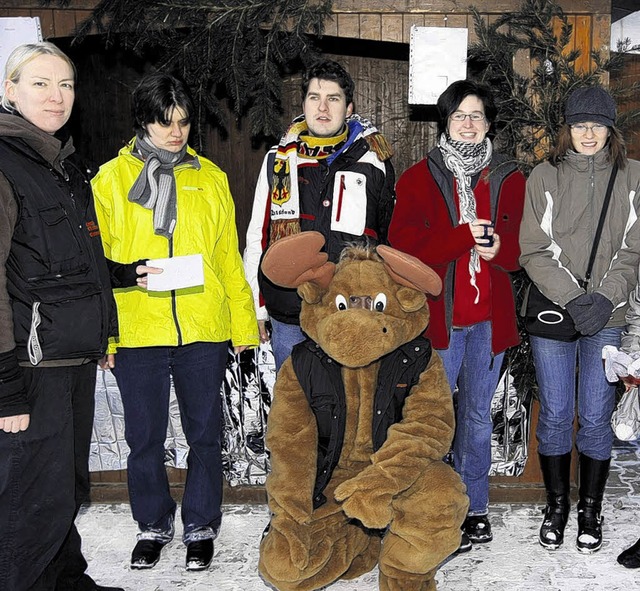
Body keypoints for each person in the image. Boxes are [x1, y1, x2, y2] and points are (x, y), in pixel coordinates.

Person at [91, 73, 259, 571]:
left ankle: (202, 523)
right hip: (139, 328)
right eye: (165, 122)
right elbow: (94, 262)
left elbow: (228, 258)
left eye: (183, 122)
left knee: (205, 433)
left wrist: (244, 327)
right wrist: (108, 327)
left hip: (202, 328)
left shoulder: (210, 178)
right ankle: (152, 524)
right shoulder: (110, 180)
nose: (175, 132)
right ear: (144, 121)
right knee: (143, 437)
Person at [0, 42, 122, 591]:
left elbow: (65, 260)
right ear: (10, 91)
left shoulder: (61, 165)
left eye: (66, 85)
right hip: (30, 369)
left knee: (65, 490)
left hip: (69, 357)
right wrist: (4, 387)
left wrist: (120, 275)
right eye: (41, 84)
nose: (57, 96)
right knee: (29, 499)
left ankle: (66, 579)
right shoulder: (5, 164)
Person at [388, 79, 526, 552]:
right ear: (445, 123)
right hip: (441, 325)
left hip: (489, 322)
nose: (469, 124)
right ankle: (435, 504)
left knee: (476, 419)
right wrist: (463, 235)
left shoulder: (508, 176)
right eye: (459, 116)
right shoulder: (417, 178)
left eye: (477, 116)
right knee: (435, 419)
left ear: (489, 124)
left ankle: (476, 508)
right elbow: (404, 247)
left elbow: (519, 251)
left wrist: (500, 249)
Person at [519, 86, 640, 554]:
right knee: (555, 412)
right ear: (566, 129)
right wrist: (573, 297)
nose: (587, 134)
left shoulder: (633, 177)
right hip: (555, 311)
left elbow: (633, 251)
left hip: (607, 314)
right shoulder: (544, 176)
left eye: (596, 125)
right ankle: (557, 505)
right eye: (578, 125)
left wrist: (604, 299)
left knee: (594, 415)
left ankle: (590, 508)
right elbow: (533, 249)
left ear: (611, 129)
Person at [243, 59, 395, 371]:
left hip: (350, 307)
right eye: (314, 98)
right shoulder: (278, 160)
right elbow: (257, 236)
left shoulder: (374, 161)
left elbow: (384, 239)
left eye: (333, 99)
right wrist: (257, 307)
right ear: (304, 103)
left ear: (349, 108)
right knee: (296, 407)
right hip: (289, 310)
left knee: (349, 407)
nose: (322, 108)